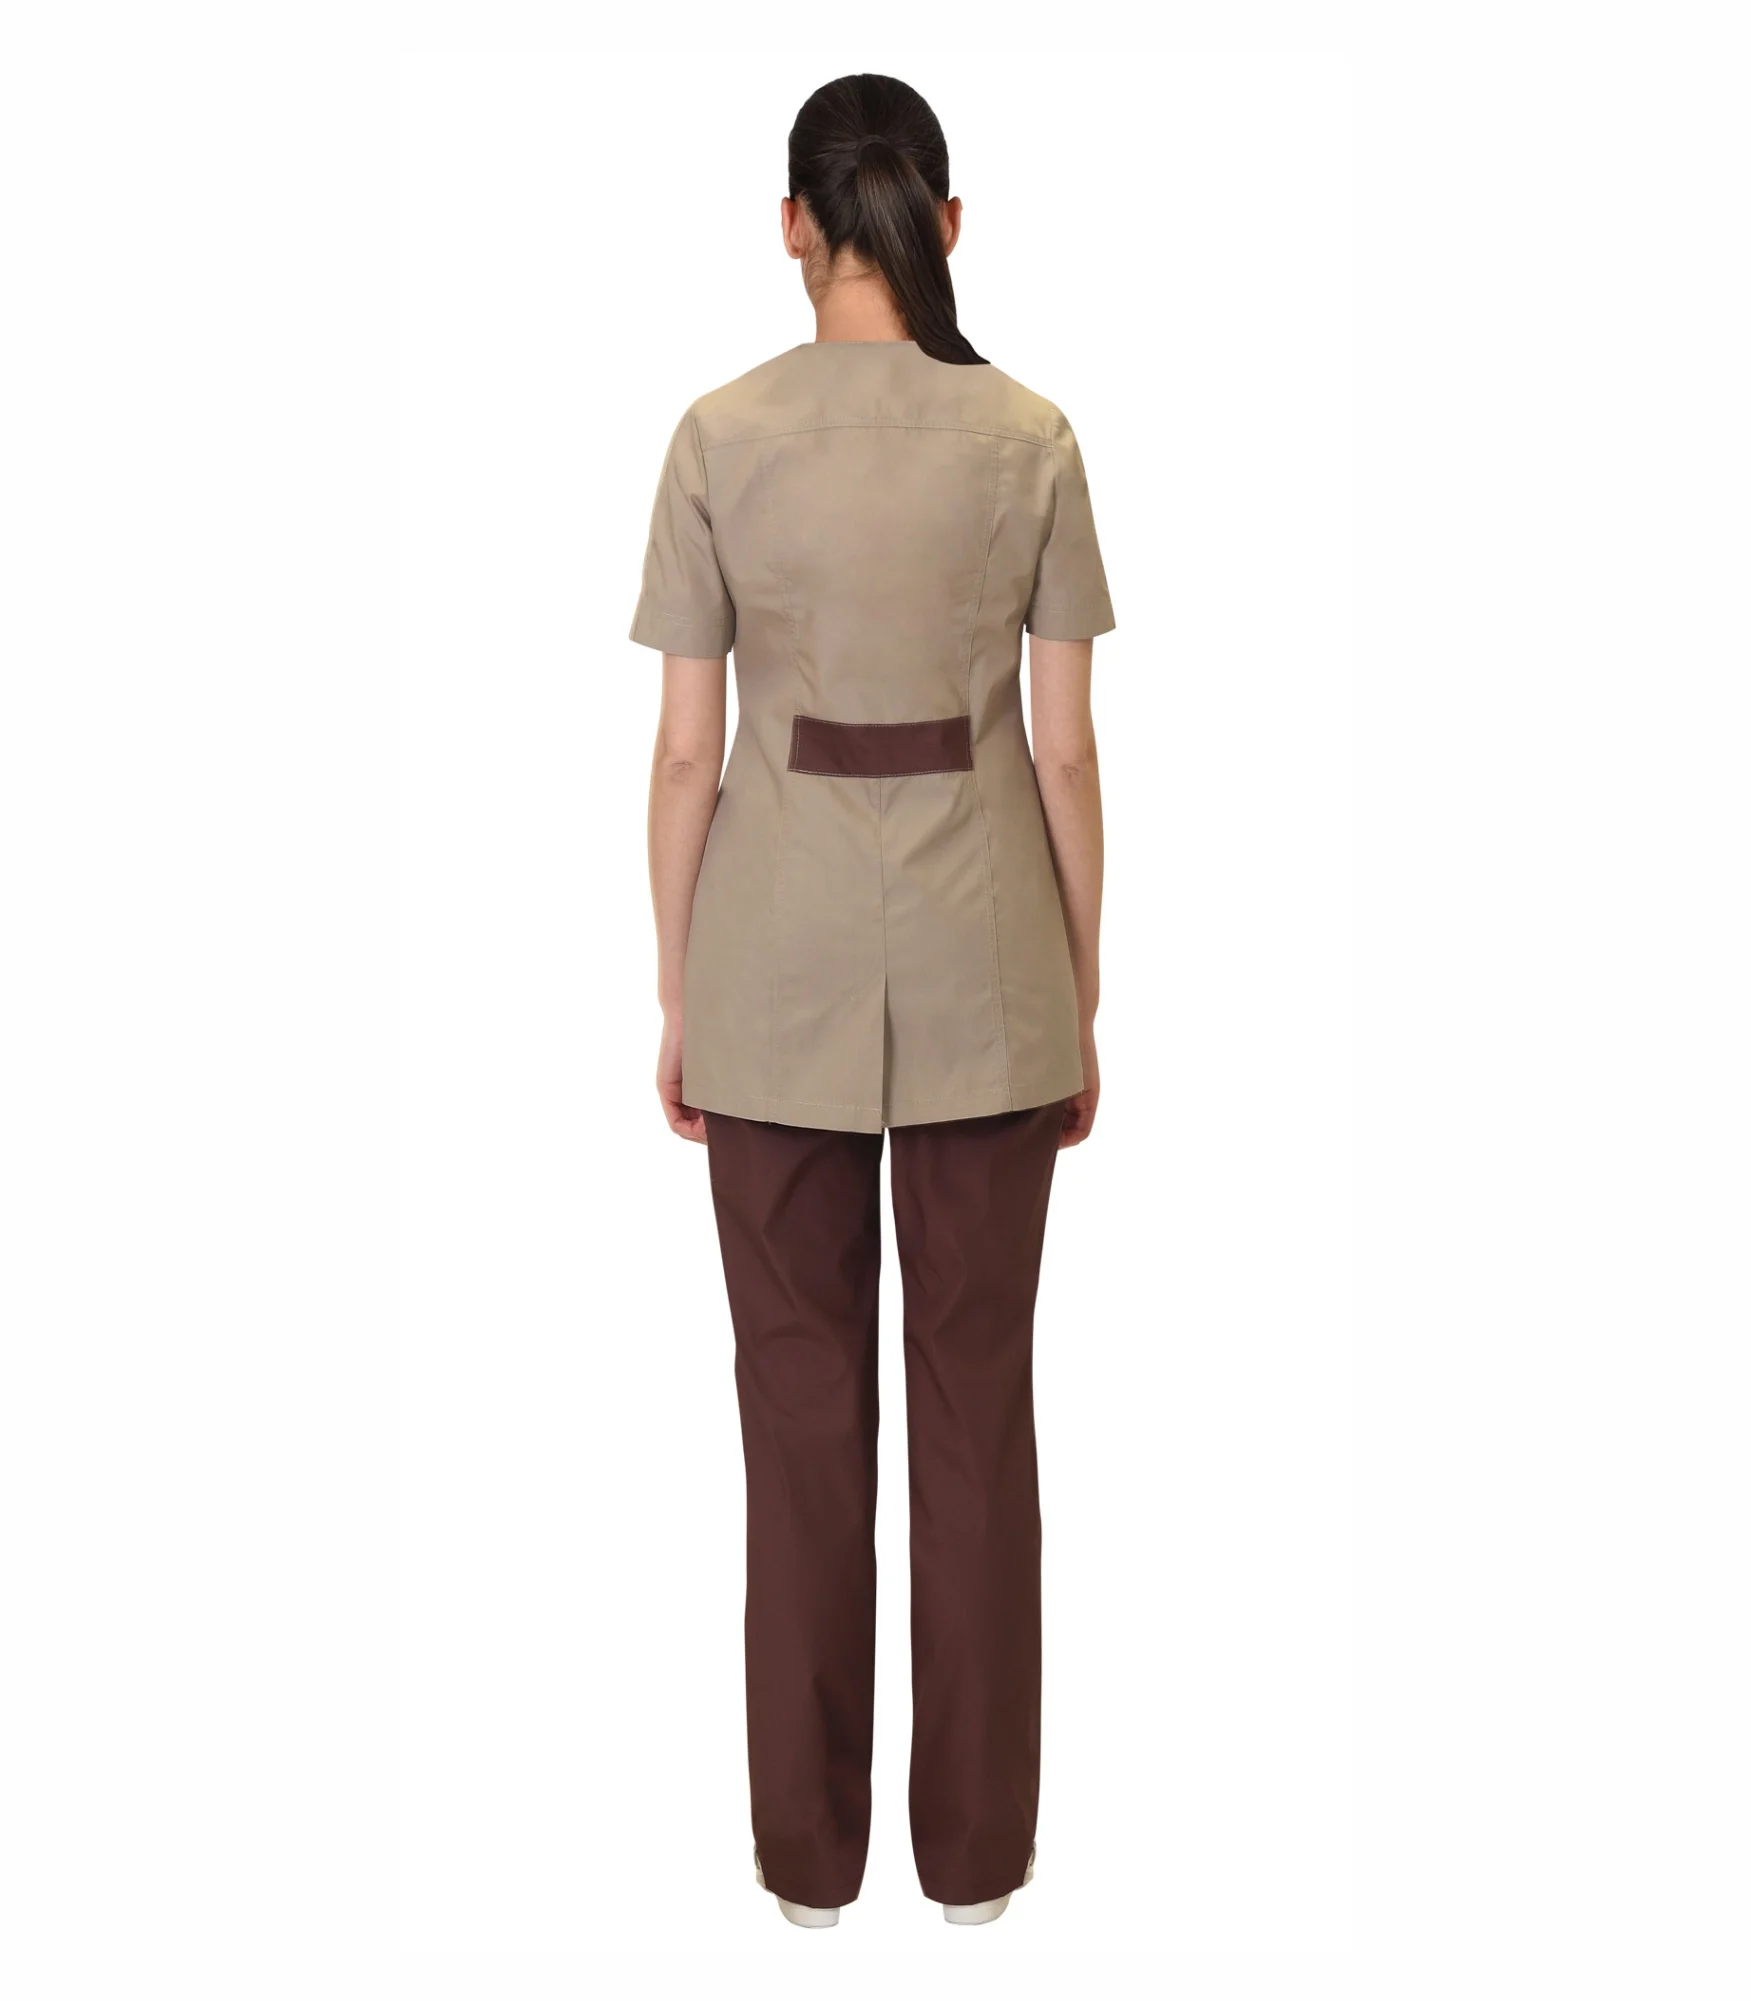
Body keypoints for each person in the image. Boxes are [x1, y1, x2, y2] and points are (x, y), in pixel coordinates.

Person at [634, 72, 1113, 1930]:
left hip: (768, 970)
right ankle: (977, 1865)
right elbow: (1060, 750)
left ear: (792, 225)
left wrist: (677, 988)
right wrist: (1083, 984)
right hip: (995, 969)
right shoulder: (1032, 436)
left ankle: (806, 1867)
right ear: (946, 223)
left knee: (795, 1420)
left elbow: (689, 754)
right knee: (977, 1416)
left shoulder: (714, 438)